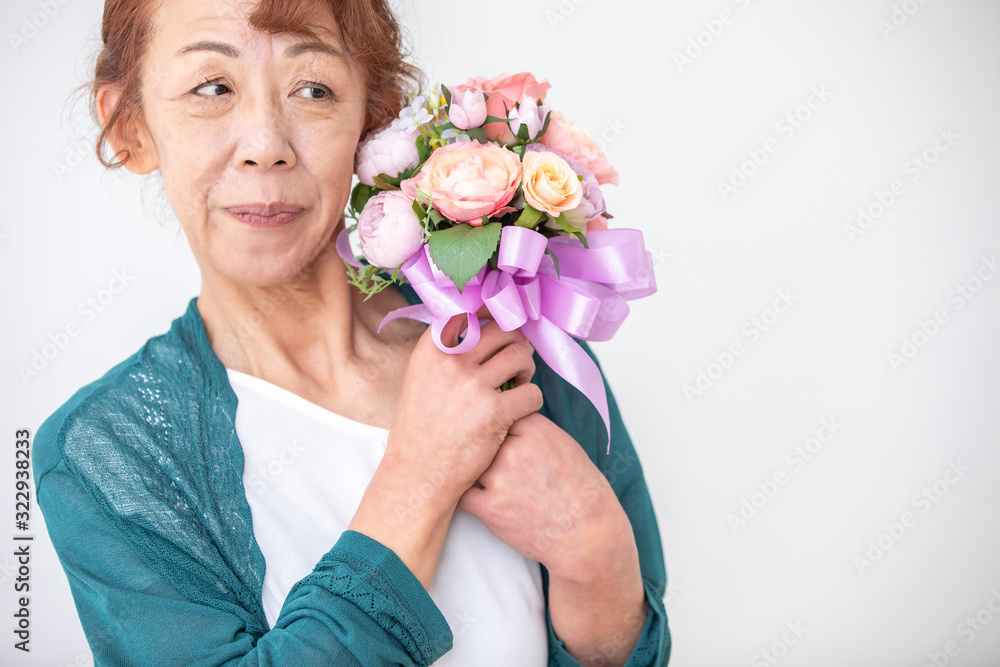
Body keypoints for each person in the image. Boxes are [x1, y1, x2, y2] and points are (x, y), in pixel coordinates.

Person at [32, 0, 673, 664]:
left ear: (372, 118)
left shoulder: (515, 340)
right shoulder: (104, 454)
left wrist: (599, 557)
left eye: (314, 89)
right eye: (212, 88)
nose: (265, 147)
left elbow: (629, 636)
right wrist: (420, 476)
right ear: (129, 125)